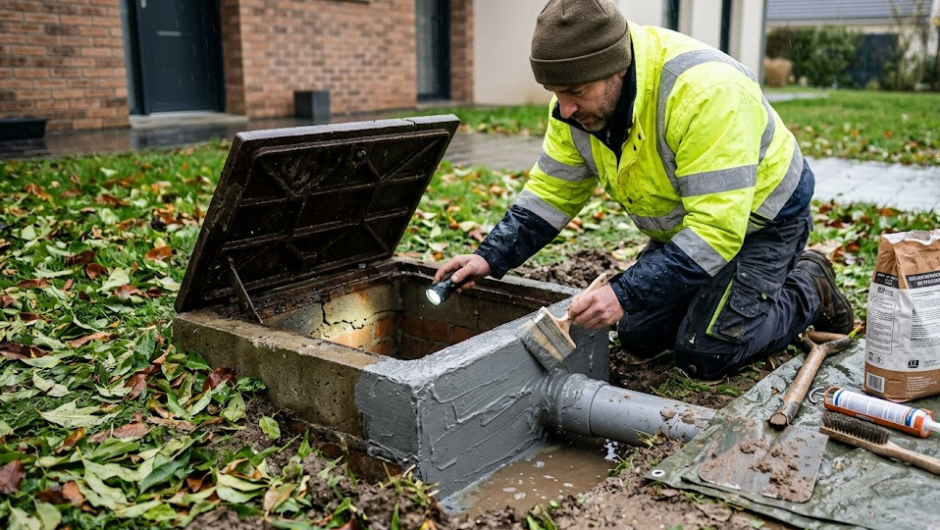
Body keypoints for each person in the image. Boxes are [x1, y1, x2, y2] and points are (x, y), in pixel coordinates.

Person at [434, 0, 854, 379]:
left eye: (576, 92)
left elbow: (716, 233)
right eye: (555, 93)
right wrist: (489, 256)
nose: (564, 109)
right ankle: (714, 294)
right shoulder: (572, 111)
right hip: (688, 232)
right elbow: (551, 194)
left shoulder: (706, 94)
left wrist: (625, 292)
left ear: (616, 67)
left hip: (763, 224)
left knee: (704, 353)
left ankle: (810, 284)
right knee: (637, 334)